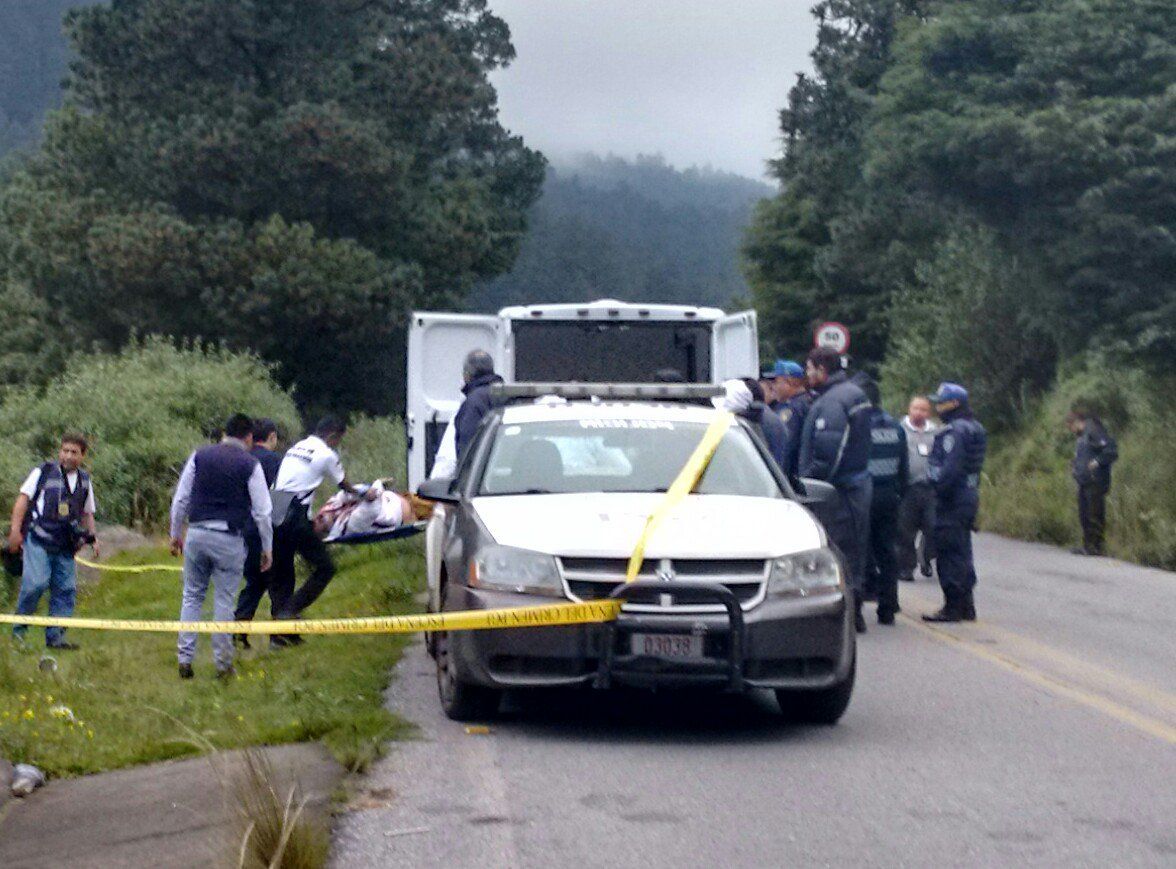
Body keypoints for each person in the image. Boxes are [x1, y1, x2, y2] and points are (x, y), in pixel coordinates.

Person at [169, 414, 273, 679]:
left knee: (192, 595)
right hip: (229, 538)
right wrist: (267, 547)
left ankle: (184, 658)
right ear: (249, 436)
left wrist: (175, 534)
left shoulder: (199, 456)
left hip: (197, 533)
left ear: (224, 432)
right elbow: (262, 512)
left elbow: (181, 499)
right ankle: (223, 664)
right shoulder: (250, 463)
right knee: (224, 600)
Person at [798, 347, 873, 633]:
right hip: (853, 487)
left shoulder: (833, 401)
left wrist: (810, 485)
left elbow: (830, 453)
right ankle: (852, 609)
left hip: (840, 492)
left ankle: (848, 613)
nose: (807, 375)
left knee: (842, 551)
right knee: (852, 549)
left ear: (821, 369)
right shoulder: (848, 395)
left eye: (809, 369)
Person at [268, 416, 361, 645]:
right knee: (326, 567)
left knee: (283, 576)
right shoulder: (326, 454)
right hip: (293, 513)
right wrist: (364, 494)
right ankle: (289, 611)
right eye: (338, 440)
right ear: (332, 435)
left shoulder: (297, 447)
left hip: (274, 508)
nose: (336, 445)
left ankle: (280, 638)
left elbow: (295, 484)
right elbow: (346, 488)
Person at [8, 433, 100, 650]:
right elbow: (22, 500)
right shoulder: (43, 472)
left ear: (83, 456)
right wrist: (14, 532)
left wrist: (93, 539)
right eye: (65, 450)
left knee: (66, 591)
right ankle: (18, 634)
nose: (68, 456)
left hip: (66, 546)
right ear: (60, 451)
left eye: (73, 452)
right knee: (35, 585)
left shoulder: (85, 481)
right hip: (38, 539)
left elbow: (88, 513)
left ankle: (56, 638)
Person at [923, 383, 987, 623]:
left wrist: (937, 487)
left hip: (952, 499)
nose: (937, 407)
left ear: (954, 404)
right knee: (963, 550)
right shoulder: (975, 428)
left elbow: (950, 470)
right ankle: (967, 605)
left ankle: (952, 607)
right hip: (969, 495)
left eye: (941, 402)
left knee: (949, 552)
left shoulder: (954, 432)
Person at [856, 377, 908, 626]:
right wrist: (900, 494)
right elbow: (904, 468)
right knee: (887, 552)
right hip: (889, 496)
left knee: (860, 551)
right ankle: (888, 607)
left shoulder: (859, 426)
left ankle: (859, 605)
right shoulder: (896, 427)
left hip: (863, 495)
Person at [233, 418, 283, 648]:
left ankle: (238, 628)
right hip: (267, 526)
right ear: (271, 436)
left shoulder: (243, 458)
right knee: (277, 582)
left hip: (242, 527)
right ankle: (279, 632)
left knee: (254, 580)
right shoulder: (276, 461)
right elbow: (281, 496)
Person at [897, 396, 939, 582]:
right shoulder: (900, 429)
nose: (919, 412)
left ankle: (926, 557)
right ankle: (906, 567)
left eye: (923, 409)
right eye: (916, 408)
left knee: (933, 526)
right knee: (905, 530)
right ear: (909, 409)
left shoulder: (936, 432)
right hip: (908, 487)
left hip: (930, 488)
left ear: (928, 413)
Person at [1067, 406, 1118, 556]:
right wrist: (1076, 464)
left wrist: (1097, 462)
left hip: (1095, 481)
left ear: (1077, 422)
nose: (1071, 431)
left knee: (1095, 514)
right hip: (1084, 481)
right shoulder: (1082, 436)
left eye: (1071, 427)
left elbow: (1111, 451)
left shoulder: (1094, 430)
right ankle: (1087, 545)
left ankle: (1096, 547)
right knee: (1084, 514)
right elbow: (1086, 454)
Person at [454, 350, 504, 461]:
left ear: (467, 375)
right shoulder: (507, 395)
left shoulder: (472, 403)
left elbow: (467, 446)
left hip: (485, 473)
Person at [769, 359, 813, 481]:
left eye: (777, 382)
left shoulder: (793, 409)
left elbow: (785, 445)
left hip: (791, 476)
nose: (773, 387)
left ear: (789, 383)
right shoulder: (805, 401)